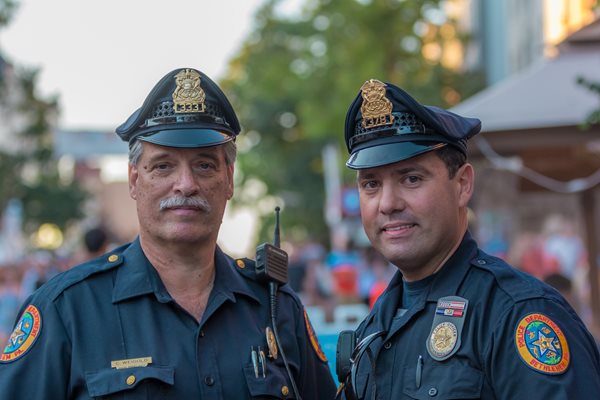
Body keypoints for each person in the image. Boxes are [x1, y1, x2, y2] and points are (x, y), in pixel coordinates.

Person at [0, 68, 336, 399]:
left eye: (204, 165)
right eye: (163, 166)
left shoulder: (277, 308)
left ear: (229, 179)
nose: (186, 185)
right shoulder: (67, 311)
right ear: (134, 180)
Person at [336, 79, 600, 399]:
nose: (388, 203)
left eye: (411, 178)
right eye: (371, 184)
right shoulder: (374, 326)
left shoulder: (517, 314)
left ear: (462, 185)